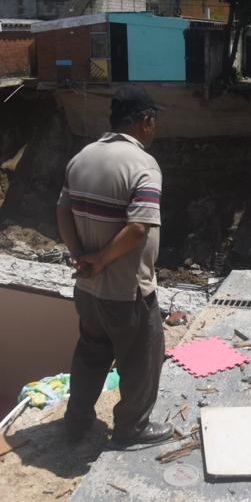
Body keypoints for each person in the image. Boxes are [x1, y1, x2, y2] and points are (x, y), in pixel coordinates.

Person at [56, 86, 173, 448]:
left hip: (88, 288)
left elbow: (62, 209)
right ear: (145, 120)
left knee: (91, 352)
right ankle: (132, 429)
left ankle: (76, 422)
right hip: (127, 291)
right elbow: (138, 227)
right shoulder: (142, 165)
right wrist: (103, 259)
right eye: (154, 121)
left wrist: (81, 256)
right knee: (143, 357)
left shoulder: (83, 156)